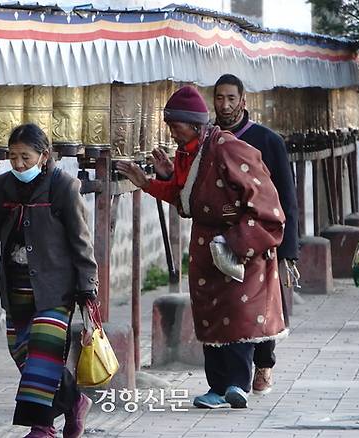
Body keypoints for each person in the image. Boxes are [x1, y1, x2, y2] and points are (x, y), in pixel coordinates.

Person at [115, 86, 287, 409]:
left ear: (193, 124)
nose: (171, 132)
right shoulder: (188, 152)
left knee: (239, 312)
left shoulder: (226, 148)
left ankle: (238, 383)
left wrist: (238, 241)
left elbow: (265, 201)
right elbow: (186, 202)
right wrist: (149, 182)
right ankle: (218, 386)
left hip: (238, 244)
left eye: (175, 126)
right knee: (211, 315)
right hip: (206, 248)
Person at [0, 123, 98, 438]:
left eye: (25, 157)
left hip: (54, 292)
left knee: (42, 357)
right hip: (16, 291)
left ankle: (42, 428)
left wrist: (88, 290)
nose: (19, 164)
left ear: (44, 156)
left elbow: (81, 243)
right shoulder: (3, 187)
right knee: (26, 356)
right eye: (13, 157)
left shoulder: (63, 186)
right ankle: (75, 401)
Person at [213, 73, 298, 396]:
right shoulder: (210, 140)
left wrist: (289, 248)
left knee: (262, 305)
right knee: (231, 306)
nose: (225, 105)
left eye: (231, 98)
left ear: (243, 101)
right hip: (223, 238)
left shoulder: (267, 140)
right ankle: (232, 377)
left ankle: (264, 362)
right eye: (220, 98)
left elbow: (287, 196)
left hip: (262, 235)